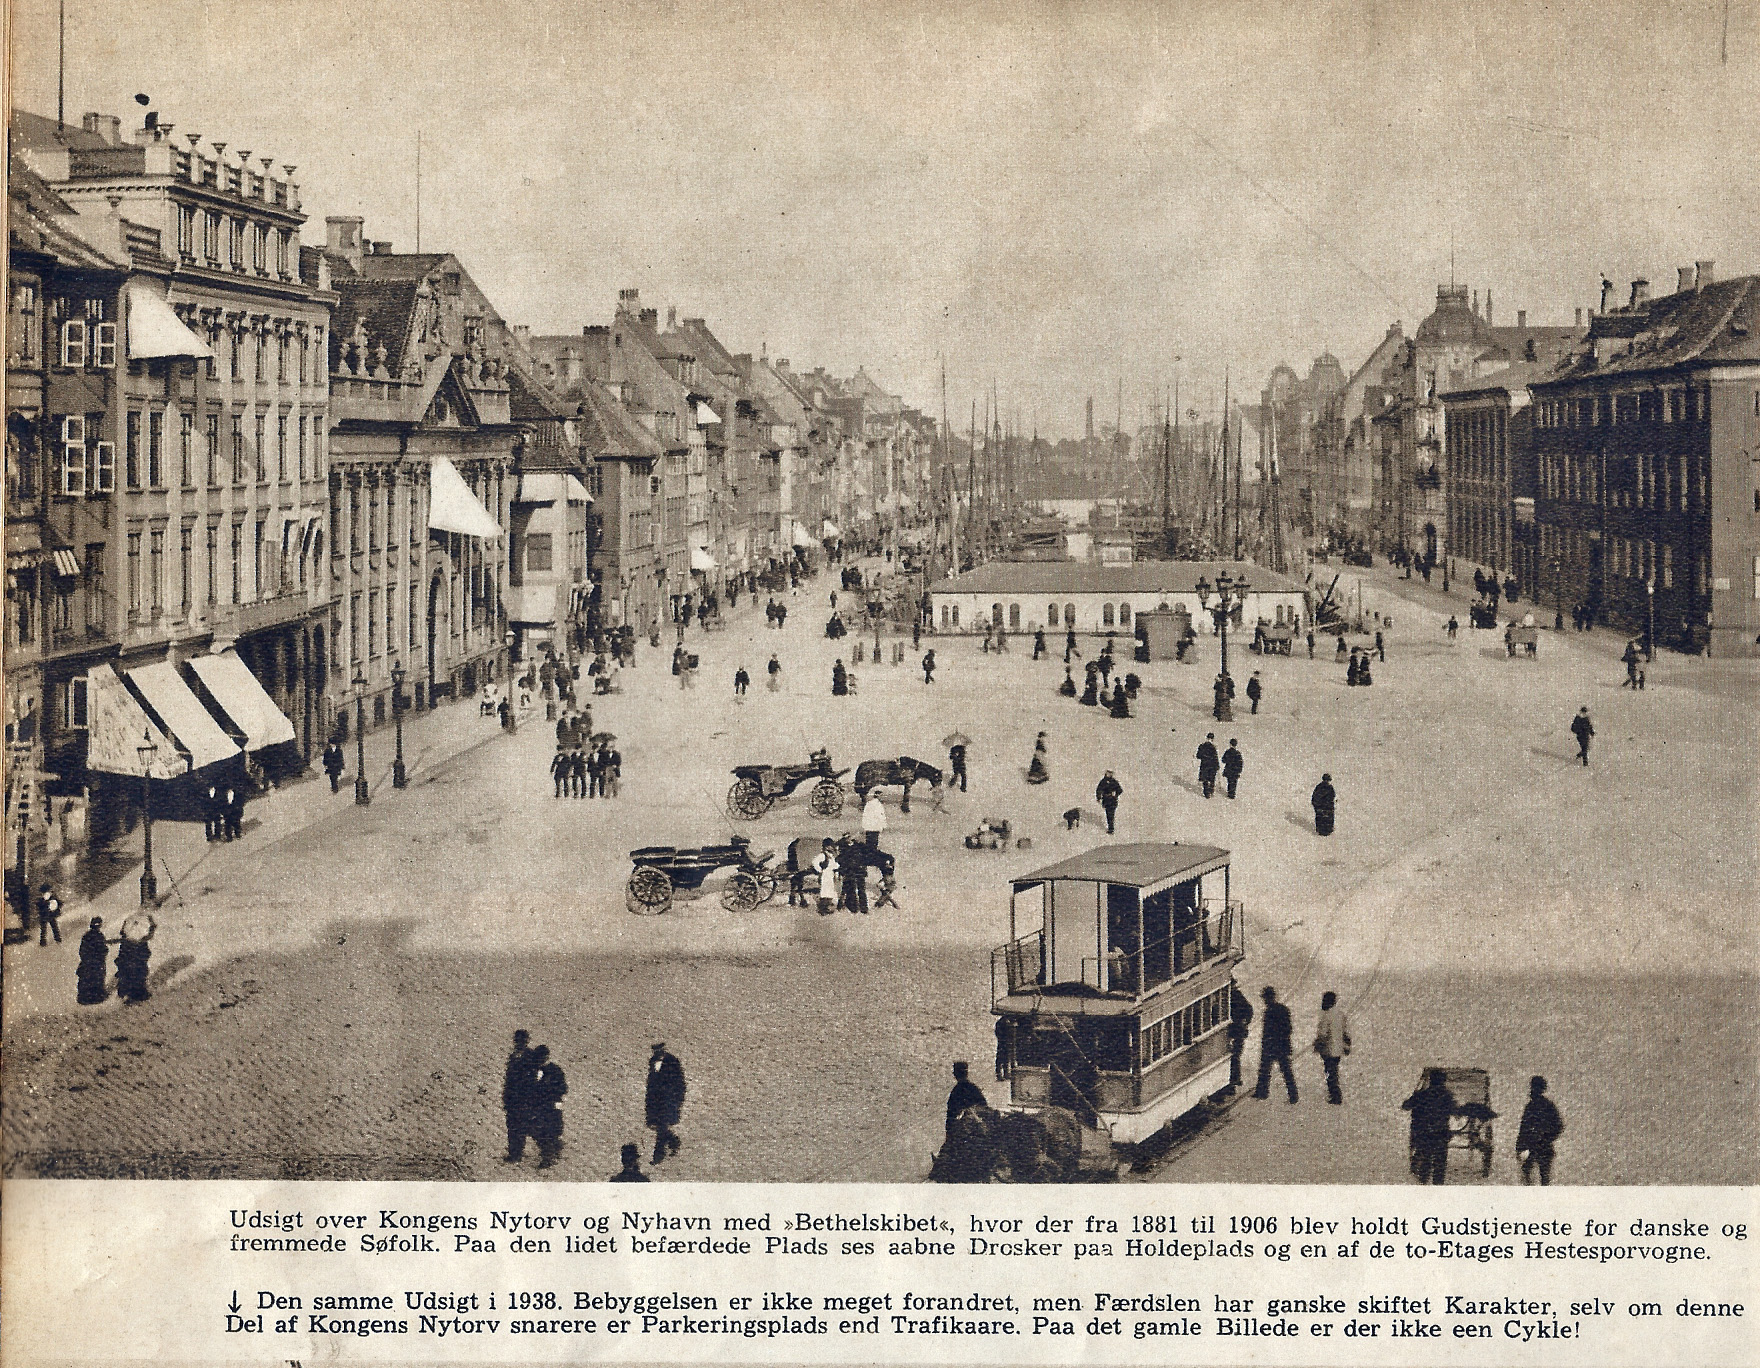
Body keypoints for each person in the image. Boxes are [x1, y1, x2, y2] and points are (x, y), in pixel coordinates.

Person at [1402, 1069, 1458, 1184]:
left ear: (1430, 1081)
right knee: (1440, 1165)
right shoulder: (1447, 1096)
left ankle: (1424, 1184)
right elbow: (1455, 1111)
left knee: (1425, 1161)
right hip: (1441, 1134)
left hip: (1424, 1134)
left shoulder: (1422, 1095)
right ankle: (1437, 1187)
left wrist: (1415, 1094)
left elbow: (1406, 1106)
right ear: (1443, 1081)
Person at [1516, 1075, 1564, 1186]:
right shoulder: (1548, 1106)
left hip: (1536, 1146)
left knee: (1529, 1173)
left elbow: (1524, 1128)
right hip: (1542, 1147)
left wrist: (1521, 1146)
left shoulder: (1532, 1106)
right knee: (1542, 1177)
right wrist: (1547, 1137)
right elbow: (1558, 1126)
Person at [1253, 986, 1297, 1103]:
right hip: (1282, 1045)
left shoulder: (1269, 1012)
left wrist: (1267, 1043)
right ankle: (1293, 1095)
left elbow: (1267, 1031)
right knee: (1286, 1071)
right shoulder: (1283, 1009)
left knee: (1265, 1070)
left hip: (1271, 1045)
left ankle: (1262, 1092)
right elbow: (1288, 1028)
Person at [645, 1043, 686, 1164]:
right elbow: (651, 1083)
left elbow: (680, 1083)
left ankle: (658, 1156)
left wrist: (677, 1100)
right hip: (656, 1102)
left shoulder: (672, 1062)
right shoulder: (653, 1062)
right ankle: (673, 1142)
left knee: (661, 1130)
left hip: (668, 1101)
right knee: (661, 1129)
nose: (657, 1053)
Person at [528, 1045, 567, 1169]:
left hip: (551, 1106)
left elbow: (563, 1088)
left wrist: (551, 1093)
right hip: (540, 1107)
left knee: (548, 1132)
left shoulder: (555, 1071)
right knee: (537, 1131)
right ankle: (552, 1149)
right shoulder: (535, 1071)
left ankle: (548, 1157)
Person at [502, 1029, 538, 1162]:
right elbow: (508, 1079)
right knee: (512, 1125)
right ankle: (513, 1152)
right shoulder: (513, 1056)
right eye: (517, 1041)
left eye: (521, 1041)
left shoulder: (530, 1057)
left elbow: (532, 1079)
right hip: (512, 1097)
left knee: (520, 1125)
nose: (518, 1043)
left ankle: (517, 1153)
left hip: (523, 1098)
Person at [1313, 991, 1351, 1104]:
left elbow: (1323, 1034)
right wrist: (1347, 1046)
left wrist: (1317, 1044)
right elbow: (1345, 1032)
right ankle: (1335, 1094)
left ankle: (1335, 1095)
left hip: (1328, 1049)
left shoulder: (1326, 1016)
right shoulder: (1340, 1014)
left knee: (1329, 1072)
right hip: (1338, 1049)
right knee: (1334, 1070)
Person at [115, 912, 154, 1003]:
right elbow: (146, 953)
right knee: (138, 975)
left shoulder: (125, 940)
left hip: (127, 963)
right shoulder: (141, 941)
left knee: (128, 975)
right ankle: (138, 995)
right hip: (137, 963)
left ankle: (126, 994)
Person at [945, 1061, 987, 1138]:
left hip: (962, 1132)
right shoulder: (973, 1088)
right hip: (975, 1130)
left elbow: (950, 1117)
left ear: (955, 1074)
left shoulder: (956, 1091)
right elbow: (984, 1107)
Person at [76, 916, 109, 1004]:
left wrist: (86, 959)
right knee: (96, 979)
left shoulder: (86, 936)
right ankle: (96, 997)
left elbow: (82, 950)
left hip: (87, 962)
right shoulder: (100, 936)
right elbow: (103, 950)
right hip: (96, 963)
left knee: (86, 979)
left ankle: (85, 998)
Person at [1227, 983, 1253, 1091]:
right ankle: (1234, 1079)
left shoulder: (1234, 996)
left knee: (1235, 1055)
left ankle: (1233, 1080)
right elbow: (1249, 1010)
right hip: (1236, 1031)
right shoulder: (1234, 995)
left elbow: (1249, 1011)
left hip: (1236, 1031)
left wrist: (1243, 1023)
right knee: (1235, 1056)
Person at [838, 837, 870, 914]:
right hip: (850, 872)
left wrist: (864, 869)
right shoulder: (844, 848)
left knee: (861, 890)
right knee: (851, 890)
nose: (847, 839)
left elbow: (865, 858)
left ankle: (864, 909)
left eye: (848, 837)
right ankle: (854, 908)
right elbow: (842, 861)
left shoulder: (859, 846)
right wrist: (842, 872)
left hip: (859, 871)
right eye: (845, 838)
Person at [813, 839, 838, 915]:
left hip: (830, 874)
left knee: (830, 891)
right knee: (825, 891)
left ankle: (827, 907)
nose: (832, 847)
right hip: (825, 874)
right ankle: (822, 909)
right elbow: (815, 862)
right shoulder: (823, 855)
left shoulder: (831, 856)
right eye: (830, 846)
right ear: (826, 847)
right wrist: (820, 870)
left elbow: (834, 865)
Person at [1196, 733, 1220, 798]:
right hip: (1212, 765)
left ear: (1207, 738)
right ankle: (1211, 790)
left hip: (1204, 765)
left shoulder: (1202, 746)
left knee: (1205, 779)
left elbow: (1198, 756)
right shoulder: (1213, 747)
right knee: (1212, 778)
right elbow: (1215, 757)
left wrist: (1204, 757)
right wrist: (1217, 766)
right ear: (1212, 739)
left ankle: (1206, 793)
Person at [993, 1017, 1013, 1081]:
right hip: (1003, 1042)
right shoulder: (1002, 1022)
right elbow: (998, 1033)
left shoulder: (1005, 1022)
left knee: (1006, 1058)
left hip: (1005, 1042)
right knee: (1001, 1058)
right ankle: (999, 1074)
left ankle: (1005, 1073)